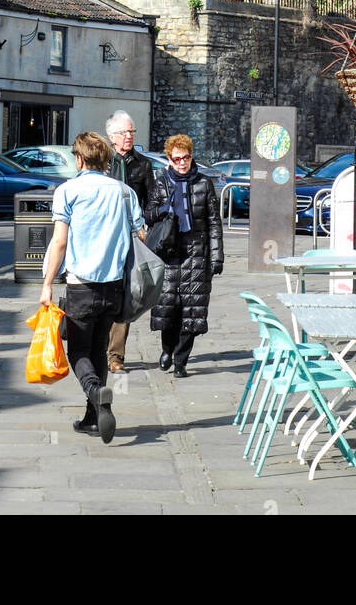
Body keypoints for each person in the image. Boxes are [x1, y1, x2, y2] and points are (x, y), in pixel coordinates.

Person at [40, 130, 145, 443]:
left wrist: (47, 283)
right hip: (114, 287)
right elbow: (141, 234)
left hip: (81, 285)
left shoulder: (68, 191)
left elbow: (59, 241)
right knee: (99, 348)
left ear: (79, 158)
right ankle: (92, 418)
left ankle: (95, 390)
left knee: (79, 351)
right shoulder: (125, 192)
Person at [144, 133, 224, 376]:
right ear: (169, 159)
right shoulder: (161, 182)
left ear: (191, 157)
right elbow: (148, 215)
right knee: (168, 307)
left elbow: (213, 222)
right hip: (168, 253)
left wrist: (216, 255)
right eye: (177, 158)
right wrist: (163, 207)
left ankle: (181, 361)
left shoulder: (204, 183)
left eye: (186, 157)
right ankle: (167, 349)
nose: (182, 162)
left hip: (196, 253)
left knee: (192, 310)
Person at [105, 109, 155, 374]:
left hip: (131, 237)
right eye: (124, 132)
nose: (129, 137)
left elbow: (152, 200)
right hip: (104, 238)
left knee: (126, 293)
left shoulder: (143, 164)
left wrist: (143, 227)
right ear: (112, 137)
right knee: (103, 292)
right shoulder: (102, 162)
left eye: (132, 132)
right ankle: (95, 347)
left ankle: (116, 357)